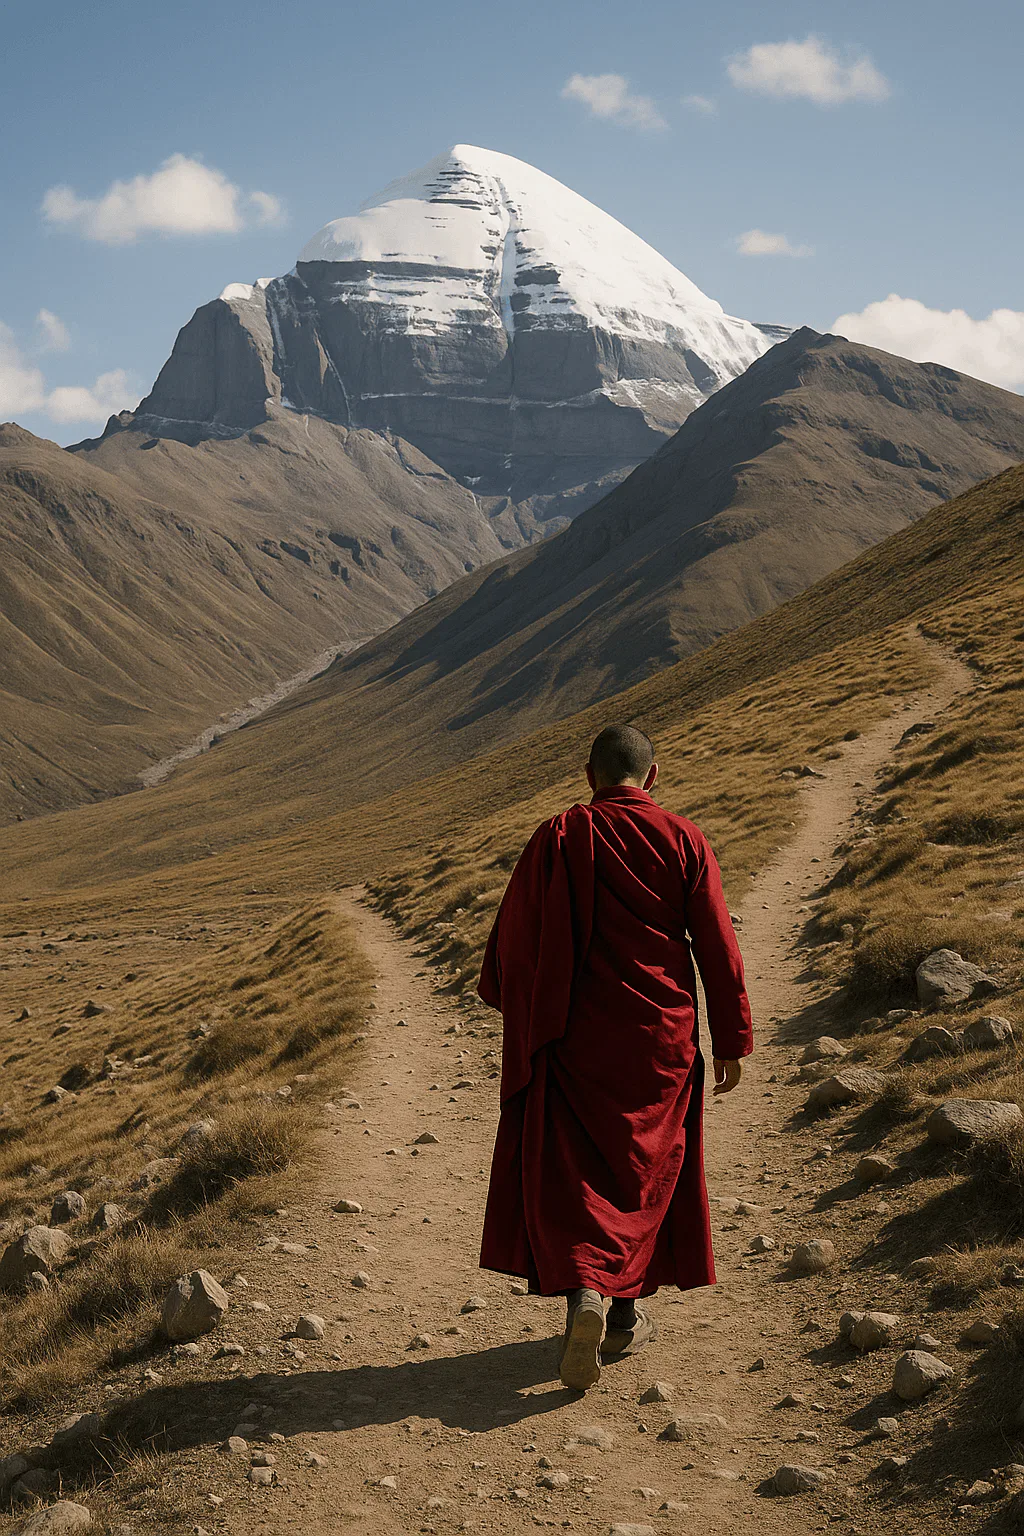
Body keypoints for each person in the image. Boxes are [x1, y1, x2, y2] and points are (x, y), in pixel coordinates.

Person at [476, 723, 753, 1391]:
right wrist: (732, 1037)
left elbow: (514, 942)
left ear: (589, 775)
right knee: (644, 1172)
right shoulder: (685, 838)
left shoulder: (559, 836)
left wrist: (523, 1011)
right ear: (652, 777)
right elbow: (717, 943)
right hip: (659, 1035)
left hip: (574, 1036)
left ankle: (588, 1299)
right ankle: (623, 1313)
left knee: (580, 1176)